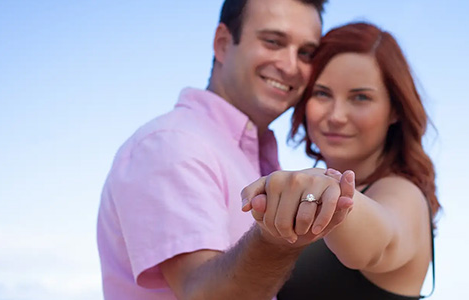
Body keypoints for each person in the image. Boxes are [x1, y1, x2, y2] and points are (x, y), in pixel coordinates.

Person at [95, 1, 354, 299]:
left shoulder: (250, 157)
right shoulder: (172, 143)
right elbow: (203, 293)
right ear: (222, 44)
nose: (290, 66)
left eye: (306, 53)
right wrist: (278, 239)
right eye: (273, 42)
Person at [242, 22, 442, 299]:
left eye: (360, 97)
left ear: (395, 110)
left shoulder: (403, 193)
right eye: (322, 93)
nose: (336, 115)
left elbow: (380, 243)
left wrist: (330, 190)